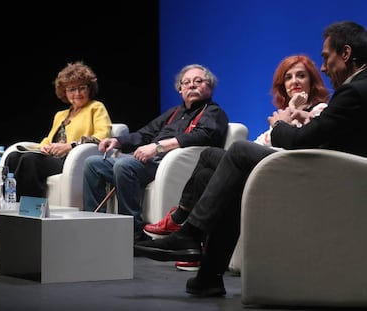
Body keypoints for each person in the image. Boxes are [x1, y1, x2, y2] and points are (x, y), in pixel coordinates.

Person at [134, 20, 367, 296]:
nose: (325, 67)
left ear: (346, 53)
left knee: (240, 151)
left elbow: (301, 140)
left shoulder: (354, 90)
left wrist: (281, 124)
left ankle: (190, 233)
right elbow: (326, 134)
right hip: (330, 171)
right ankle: (207, 274)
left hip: (334, 180)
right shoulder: (356, 89)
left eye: (326, 58)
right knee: (221, 171)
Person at [143, 54, 330, 271]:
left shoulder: (319, 111)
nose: (294, 81)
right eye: (288, 78)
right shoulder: (281, 116)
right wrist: (286, 117)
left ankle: (181, 218)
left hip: (284, 173)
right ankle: (199, 256)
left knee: (210, 155)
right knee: (205, 175)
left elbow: (298, 143)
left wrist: (290, 114)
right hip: (264, 170)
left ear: (312, 81)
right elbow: (260, 143)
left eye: (301, 76)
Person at [82, 64, 229, 243]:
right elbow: (145, 133)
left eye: (198, 81)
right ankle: (95, 227)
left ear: (210, 86)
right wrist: (117, 142)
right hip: (149, 161)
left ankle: (133, 234)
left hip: (170, 164)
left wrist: (157, 147)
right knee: (93, 164)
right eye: (186, 82)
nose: (191, 85)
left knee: (124, 165)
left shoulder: (214, 112)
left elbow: (204, 135)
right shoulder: (174, 112)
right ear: (180, 89)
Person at [6, 61, 112, 200]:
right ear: (64, 92)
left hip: (72, 160)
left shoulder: (96, 107)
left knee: (29, 160)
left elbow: (102, 135)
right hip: (52, 158)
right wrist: (44, 147)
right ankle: (10, 204)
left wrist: (70, 146)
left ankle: (30, 209)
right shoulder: (61, 115)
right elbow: (48, 140)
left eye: (82, 88)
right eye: (72, 89)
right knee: (13, 157)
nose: (77, 93)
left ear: (90, 88)